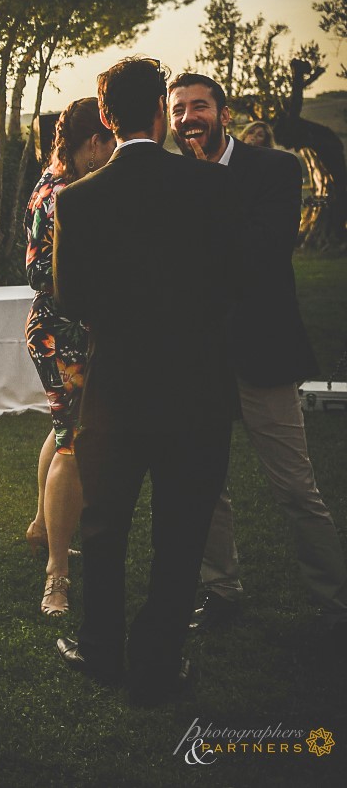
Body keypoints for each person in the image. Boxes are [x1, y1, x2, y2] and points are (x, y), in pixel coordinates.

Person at [51, 57, 239, 706]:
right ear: (161, 110)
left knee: (104, 526)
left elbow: (69, 298)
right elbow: (230, 287)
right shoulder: (212, 188)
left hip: (117, 391)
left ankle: (101, 650)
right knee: (181, 532)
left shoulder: (76, 199)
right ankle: (157, 662)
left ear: (106, 117)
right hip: (197, 389)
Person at [168, 72, 346, 639]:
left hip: (262, 351)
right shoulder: (169, 181)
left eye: (199, 106)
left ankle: (335, 598)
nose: (188, 118)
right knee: (205, 487)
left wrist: (202, 194)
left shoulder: (274, 169)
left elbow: (263, 254)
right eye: (178, 111)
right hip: (198, 358)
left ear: (222, 111)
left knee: (296, 485)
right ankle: (222, 590)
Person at [21, 98, 115, 617]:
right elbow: (46, 274)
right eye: (109, 144)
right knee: (72, 445)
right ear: (93, 143)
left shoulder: (48, 181)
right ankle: (57, 575)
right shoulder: (66, 193)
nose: (112, 155)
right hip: (65, 331)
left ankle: (41, 525)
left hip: (57, 328)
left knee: (63, 428)